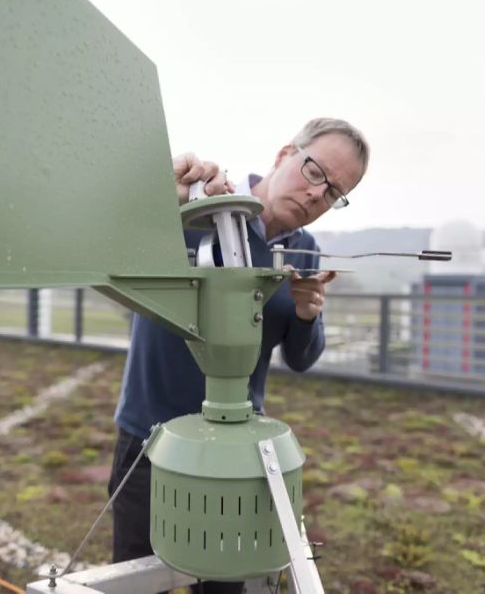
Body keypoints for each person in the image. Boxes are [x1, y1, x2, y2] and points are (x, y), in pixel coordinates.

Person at [108, 118, 369, 593]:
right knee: (134, 577)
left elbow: (301, 357)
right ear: (283, 154)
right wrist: (159, 197)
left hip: (237, 450)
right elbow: (115, 246)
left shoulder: (305, 251)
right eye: (315, 172)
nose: (317, 195)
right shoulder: (202, 207)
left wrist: (309, 316)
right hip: (150, 433)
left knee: (228, 580)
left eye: (334, 193)